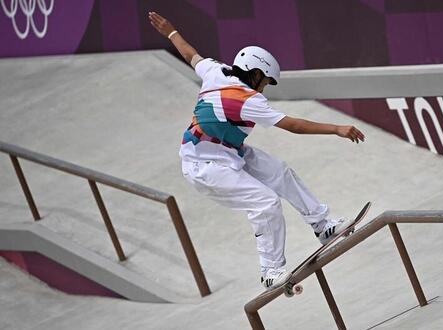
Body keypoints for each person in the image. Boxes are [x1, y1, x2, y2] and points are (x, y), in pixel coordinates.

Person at [148, 12, 365, 290]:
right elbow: (294, 125)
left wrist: (170, 32)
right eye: (265, 82)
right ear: (255, 73)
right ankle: (270, 271)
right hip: (204, 167)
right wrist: (336, 129)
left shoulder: (216, 70)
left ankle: (323, 226)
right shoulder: (246, 99)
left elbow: (191, 55)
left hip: (229, 152)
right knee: (265, 203)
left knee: (280, 172)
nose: (265, 88)